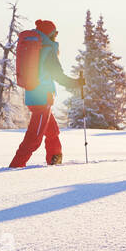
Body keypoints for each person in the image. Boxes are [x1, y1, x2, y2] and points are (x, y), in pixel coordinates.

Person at [8, 19, 84, 167]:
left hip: (34, 95)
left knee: (52, 131)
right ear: (50, 34)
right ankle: (16, 165)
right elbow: (58, 76)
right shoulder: (47, 50)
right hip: (42, 98)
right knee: (34, 137)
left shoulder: (37, 47)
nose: (56, 37)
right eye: (55, 33)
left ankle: (54, 160)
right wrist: (76, 83)